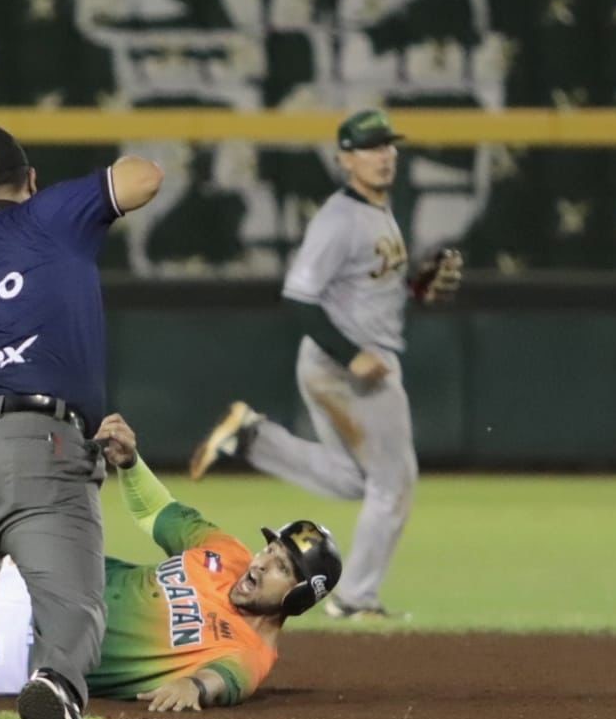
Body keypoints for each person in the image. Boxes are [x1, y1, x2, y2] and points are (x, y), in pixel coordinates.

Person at [0, 124, 163, 719]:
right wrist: (79, 197)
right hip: (28, 445)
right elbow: (144, 177)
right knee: (74, 594)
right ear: (30, 180)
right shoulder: (44, 216)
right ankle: (56, 683)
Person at [0, 413, 343, 711]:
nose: (260, 562)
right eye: (270, 549)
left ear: (299, 595)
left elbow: (221, 683)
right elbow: (158, 511)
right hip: (30, 572)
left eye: (280, 566)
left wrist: (191, 688)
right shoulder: (225, 554)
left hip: (23, 648)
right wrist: (132, 463)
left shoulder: (247, 652)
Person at [188, 110, 462, 620]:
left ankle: (253, 437)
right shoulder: (339, 219)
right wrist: (350, 354)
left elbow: (365, 288)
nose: (383, 156)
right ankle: (356, 599)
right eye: (369, 148)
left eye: (387, 146)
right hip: (348, 369)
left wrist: (415, 287)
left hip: (345, 363)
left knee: (358, 480)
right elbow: (298, 296)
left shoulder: (377, 209)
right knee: (394, 484)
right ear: (344, 159)